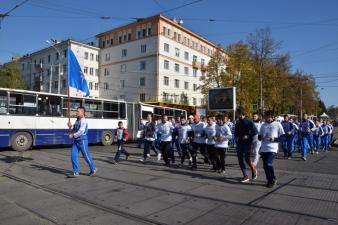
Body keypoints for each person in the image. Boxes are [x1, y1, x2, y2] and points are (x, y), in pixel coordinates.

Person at [67, 106, 97, 177]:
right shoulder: (77, 120)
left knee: (86, 156)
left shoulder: (84, 121)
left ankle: (93, 168)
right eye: (76, 111)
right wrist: (70, 126)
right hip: (76, 141)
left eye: (78, 111)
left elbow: (81, 131)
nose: (76, 112)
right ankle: (76, 172)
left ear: (82, 113)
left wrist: (73, 135)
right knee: (73, 155)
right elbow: (74, 128)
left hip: (82, 141)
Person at [258, 111, 284, 188]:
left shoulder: (277, 124)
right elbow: (259, 137)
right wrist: (261, 137)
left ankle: (272, 180)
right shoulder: (263, 125)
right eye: (265, 117)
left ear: (272, 117)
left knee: (268, 164)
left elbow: (283, 137)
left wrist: (274, 139)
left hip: (273, 148)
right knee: (265, 166)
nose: (266, 118)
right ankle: (270, 179)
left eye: (267, 117)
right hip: (264, 148)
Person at [234, 107, 258, 183]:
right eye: (237, 114)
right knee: (240, 160)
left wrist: (248, 136)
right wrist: (237, 137)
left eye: (239, 114)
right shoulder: (237, 123)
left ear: (242, 114)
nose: (238, 115)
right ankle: (245, 176)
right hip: (239, 144)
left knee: (247, 159)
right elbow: (236, 133)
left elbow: (255, 132)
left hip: (247, 143)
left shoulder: (249, 122)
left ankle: (254, 170)